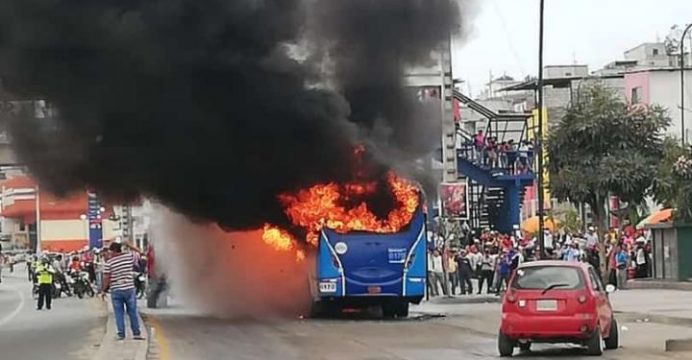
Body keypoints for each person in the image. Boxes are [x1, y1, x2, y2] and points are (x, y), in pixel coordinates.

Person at [100, 240, 145, 340]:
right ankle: (136, 333)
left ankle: (121, 334)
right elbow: (140, 253)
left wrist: (103, 290)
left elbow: (106, 278)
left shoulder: (109, 263)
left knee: (118, 313)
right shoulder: (128, 257)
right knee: (132, 311)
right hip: (129, 289)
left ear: (113, 251)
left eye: (110, 251)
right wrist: (129, 244)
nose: (109, 253)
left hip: (116, 290)